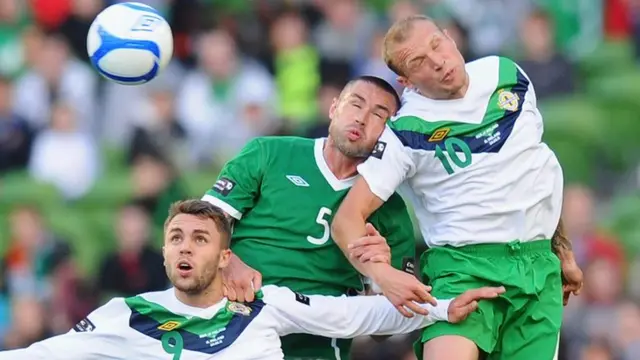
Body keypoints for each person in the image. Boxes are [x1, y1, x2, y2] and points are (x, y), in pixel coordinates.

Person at [331, 15, 584, 360]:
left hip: (536, 265)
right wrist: (383, 277)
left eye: (436, 45)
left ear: (450, 38)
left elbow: (537, 174)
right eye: (418, 61)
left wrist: (563, 251)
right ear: (407, 82)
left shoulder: (506, 74)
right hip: (462, 267)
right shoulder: (406, 131)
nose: (437, 62)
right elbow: (346, 219)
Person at [0, 200, 505, 359]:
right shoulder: (129, 316)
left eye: (200, 239)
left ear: (225, 257)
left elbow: (355, 315)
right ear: (163, 250)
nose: (184, 247)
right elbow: (43, 354)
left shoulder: (265, 304)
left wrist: (441, 309)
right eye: (176, 237)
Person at [201, 75, 424, 359]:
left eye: (379, 115)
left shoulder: (391, 211)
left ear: (388, 135)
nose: (362, 119)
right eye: (355, 105)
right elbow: (200, 223)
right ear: (333, 109)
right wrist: (227, 261)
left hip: (317, 342)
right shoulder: (269, 153)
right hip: (237, 316)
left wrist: (380, 276)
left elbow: (384, 332)